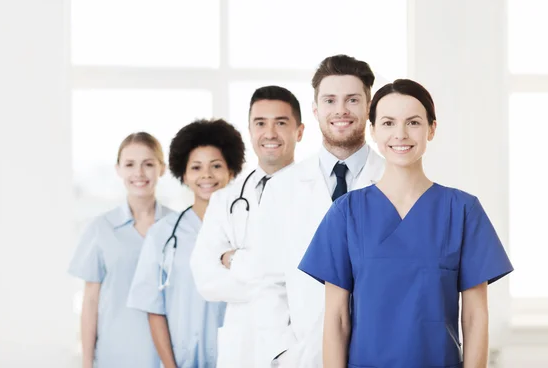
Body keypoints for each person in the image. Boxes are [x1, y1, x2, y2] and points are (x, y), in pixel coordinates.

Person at [299, 79, 514, 367]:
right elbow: (337, 319)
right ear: (373, 130)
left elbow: (475, 317)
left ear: (431, 129)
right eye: (388, 123)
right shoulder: (347, 212)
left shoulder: (462, 210)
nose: (400, 134)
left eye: (413, 122)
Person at [256, 55, 385, 367]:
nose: (340, 110)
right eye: (330, 100)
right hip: (305, 356)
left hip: (382, 352)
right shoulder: (281, 188)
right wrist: (283, 351)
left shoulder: (393, 181)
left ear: (368, 107)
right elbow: (266, 282)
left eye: (352, 100)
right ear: (315, 110)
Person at [190, 86, 305, 368]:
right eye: (260, 123)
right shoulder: (224, 200)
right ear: (250, 131)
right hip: (241, 349)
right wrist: (281, 279)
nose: (270, 133)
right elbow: (205, 279)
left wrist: (235, 259)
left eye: (281, 123)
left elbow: (310, 275)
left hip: (299, 346)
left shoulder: (317, 194)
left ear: (299, 131)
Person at [127, 119, 246, 367]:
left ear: (231, 171)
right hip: (181, 361)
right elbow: (154, 308)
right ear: (183, 173)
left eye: (216, 166)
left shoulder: (246, 230)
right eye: (196, 167)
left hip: (239, 357)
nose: (206, 175)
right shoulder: (162, 234)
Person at [68, 132, 172, 368]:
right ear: (118, 170)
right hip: (113, 356)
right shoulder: (101, 228)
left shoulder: (177, 226)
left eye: (148, 164)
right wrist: (86, 363)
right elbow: (90, 302)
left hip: (166, 357)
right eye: (130, 164)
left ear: (162, 168)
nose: (139, 173)